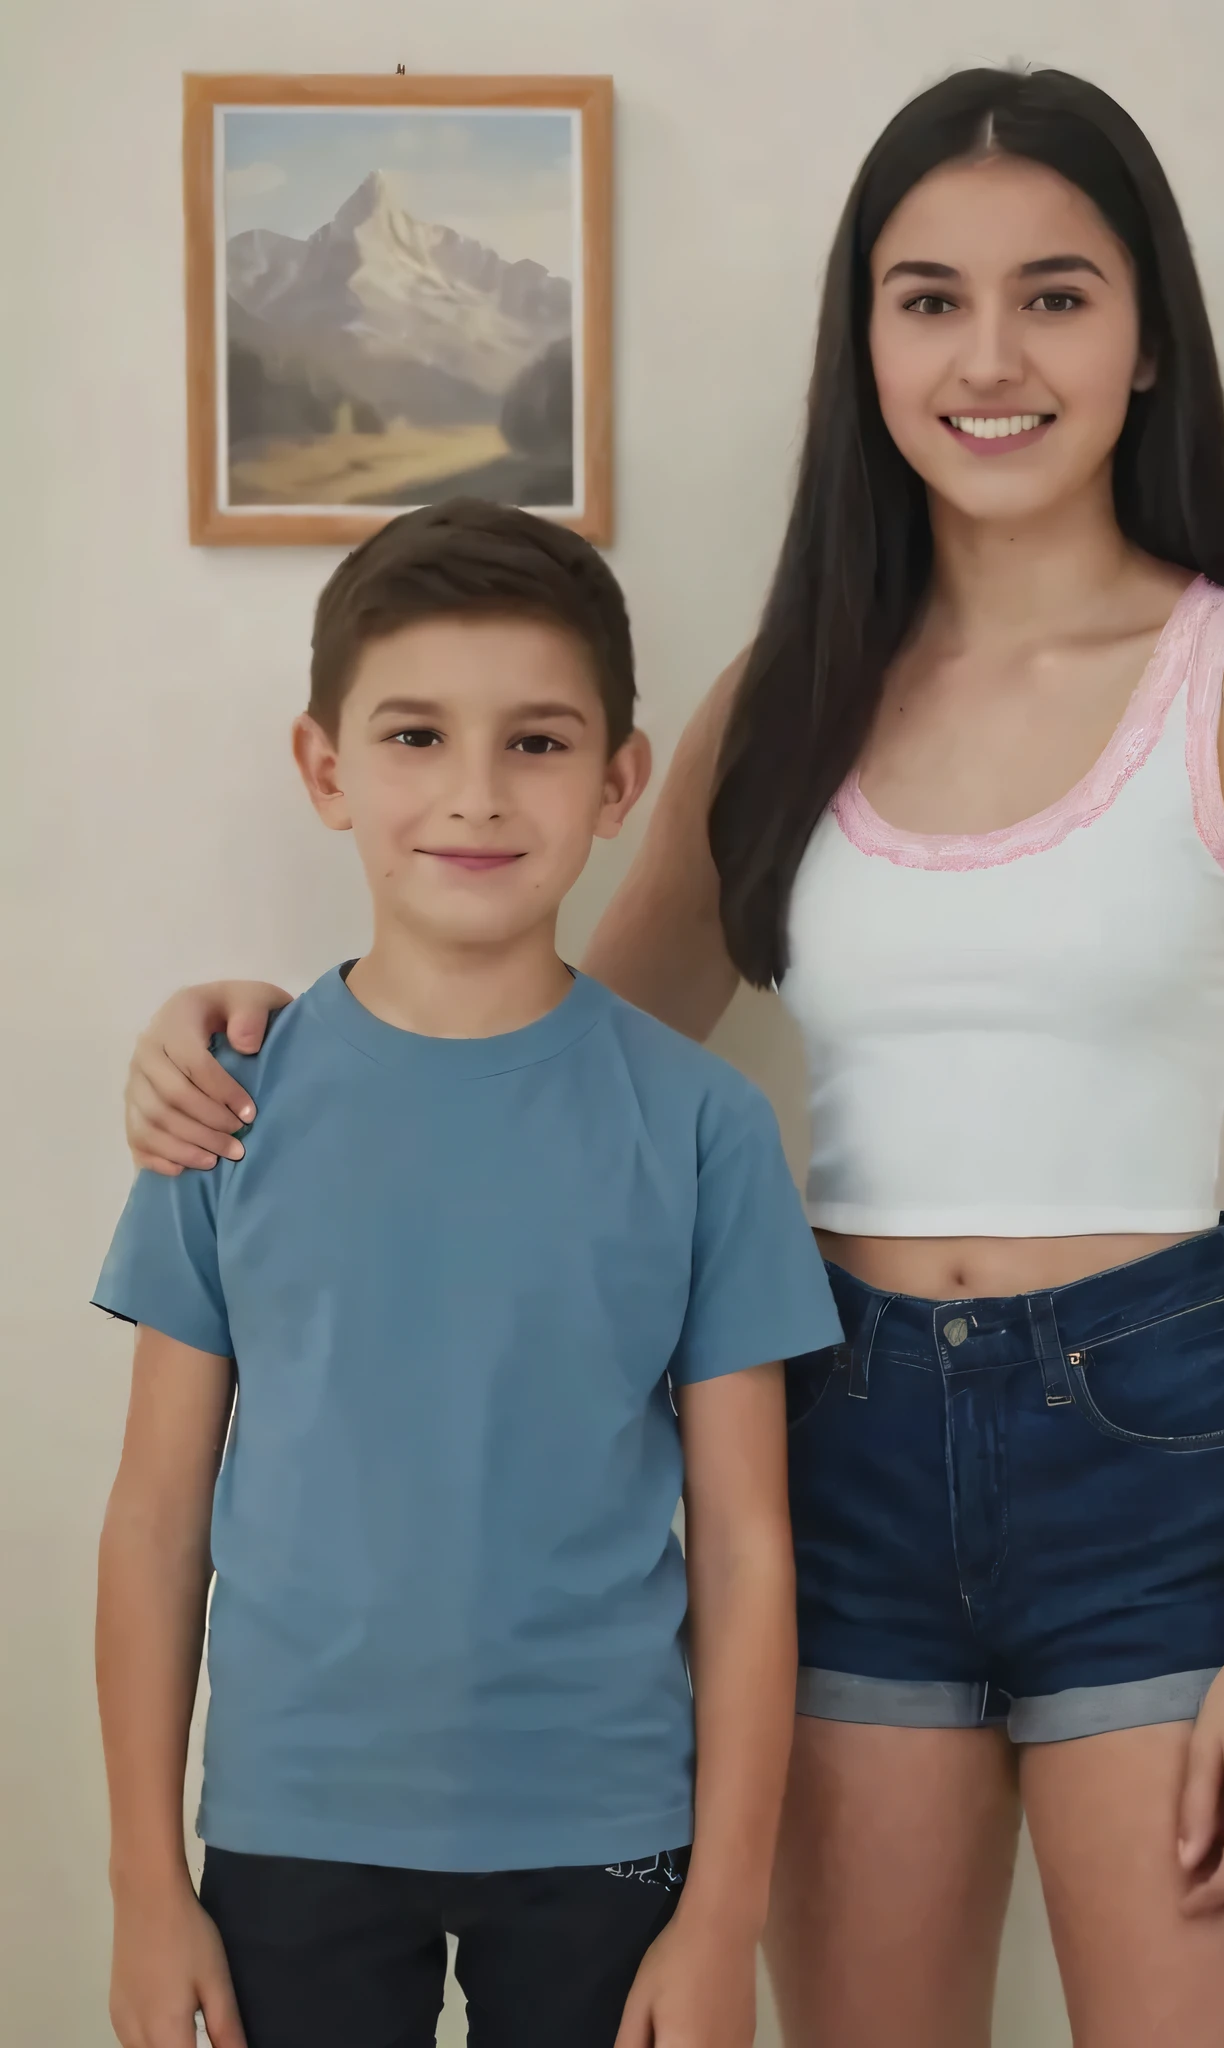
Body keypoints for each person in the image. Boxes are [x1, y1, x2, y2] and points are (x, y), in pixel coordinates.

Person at [119, 66, 1224, 2048]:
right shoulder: (782, 695)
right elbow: (546, 1049)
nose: (989, 355)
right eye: (925, 298)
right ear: (861, 342)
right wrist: (246, 1039)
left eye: (1054, 295)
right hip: (833, 1445)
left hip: (1153, 1452)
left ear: (1145, 339)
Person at [93, 500, 843, 2048]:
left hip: (609, 1827)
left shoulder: (704, 1129)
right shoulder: (228, 1105)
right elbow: (157, 1519)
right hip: (294, 1819)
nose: (478, 796)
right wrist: (143, 1889)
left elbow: (750, 1549)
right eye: (417, 737)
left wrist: (726, 1915)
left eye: (541, 743)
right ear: (326, 770)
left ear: (622, 782)